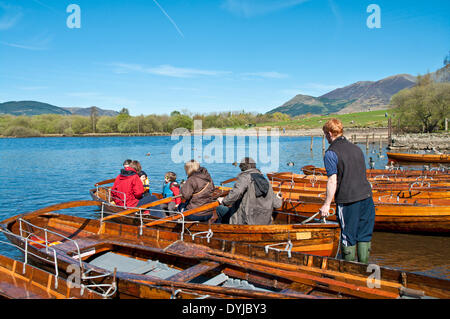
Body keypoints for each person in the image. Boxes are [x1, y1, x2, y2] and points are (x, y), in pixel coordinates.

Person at [319, 118, 375, 264]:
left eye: (325, 134)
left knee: (348, 236)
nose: (326, 137)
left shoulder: (331, 153)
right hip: (367, 197)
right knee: (364, 235)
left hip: (348, 200)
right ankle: (363, 270)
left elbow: (332, 181)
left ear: (330, 134)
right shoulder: (357, 149)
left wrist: (326, 204)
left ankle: (348, 271)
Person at [216, 157, 282, 225]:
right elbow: (278, 204)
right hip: (264, 222)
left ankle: (224, 232)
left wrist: (224, 201)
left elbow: (236, 193)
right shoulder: (266, 181)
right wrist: (278, 198)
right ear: (254, 166)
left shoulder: (244, 178)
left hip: (245, 221)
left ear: (242, 168)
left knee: (219, 208)